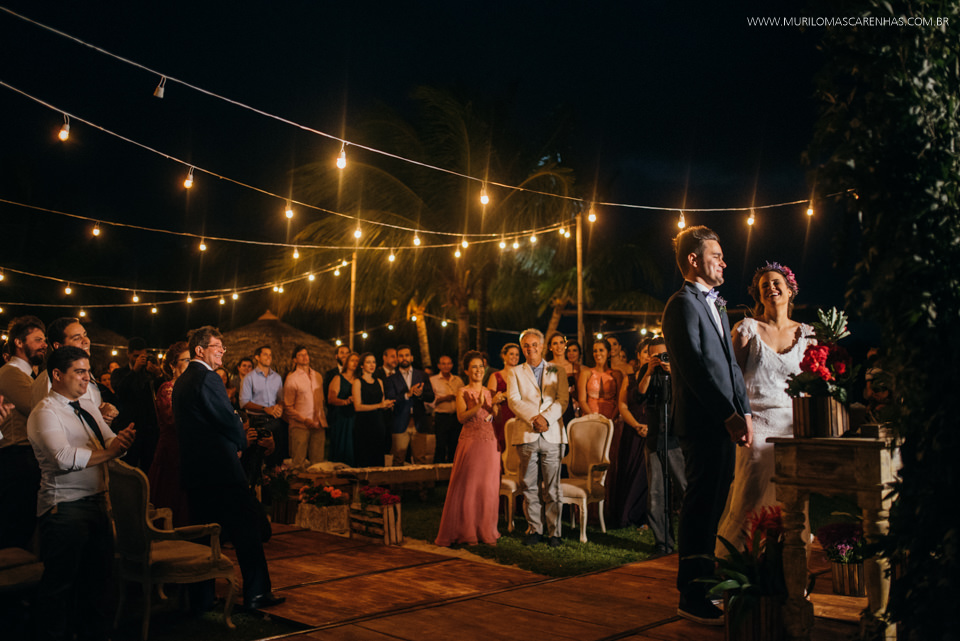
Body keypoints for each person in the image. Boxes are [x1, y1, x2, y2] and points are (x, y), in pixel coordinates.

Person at [662, 225, 752, 626]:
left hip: (726, 421)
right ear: (694, 260)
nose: (724, 262)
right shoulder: (680, 305)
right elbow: (694, 368)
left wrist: (744, 409)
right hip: (702, 422)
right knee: (699, 506)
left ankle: (705, 582)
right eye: (717, 255)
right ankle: (691, 593)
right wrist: (726, 414)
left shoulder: (715, 305)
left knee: (715, 505)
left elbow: (730, 366)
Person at [28, 345, 136, 641]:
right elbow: (63, 458)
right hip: (63, 509)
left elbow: (112, 442)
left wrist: (122, 441)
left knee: (98, 584)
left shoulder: (88, 407)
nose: (87, 378)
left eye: (88, 371)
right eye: (79, 371)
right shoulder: (44, 412)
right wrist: (110, 451)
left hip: (98, 504)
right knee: (60, 589)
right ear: (57, 375)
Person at [173, 326, 284, 611]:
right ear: (200, 350)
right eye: (217, 346)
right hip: (220, 469)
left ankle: (202, 596)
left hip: (195, 470)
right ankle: (257, 594)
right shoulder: (207, 378)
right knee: (247, 528)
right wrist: (240, 437)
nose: (223, 350)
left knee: (204, 535)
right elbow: (225, 417)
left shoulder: (183, 381)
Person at [715, 262, 814, 554]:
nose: (771, 287)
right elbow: (729, 379)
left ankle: (788, 570)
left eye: (776, 282)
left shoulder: (807, 334)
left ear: (790, 290)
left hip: (794, 429)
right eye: (764, 285)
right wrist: (734, 419)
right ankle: (734, 571)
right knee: (749, 498)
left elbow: (813, 384)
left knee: (793, 502)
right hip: (755, 428)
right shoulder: (747, 329)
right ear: (758, 295)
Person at [435, 351, 506, 547]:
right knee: (469, 487)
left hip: (490, 443)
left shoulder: (490, 392)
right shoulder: (462, 392)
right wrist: (479, 406)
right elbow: (461, 417)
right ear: (467, 370)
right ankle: (467, 531)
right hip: (471, 443)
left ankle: (486, 530)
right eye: (474, 367)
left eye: (481, 367)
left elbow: (496, 420)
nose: (478, 370)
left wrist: (496, 407)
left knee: (488, 488)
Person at [506, 328, 569, 547]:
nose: (530, 349)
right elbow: (513, 400)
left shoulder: (558, 370)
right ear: (522, 348)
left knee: (553, 487)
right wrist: (534, 418)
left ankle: (555, 532)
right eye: (526, 345)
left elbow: (563, 400)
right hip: (526, 433)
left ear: (542, 346)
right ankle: (535, 529)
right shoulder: (515, 372)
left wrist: (546, 419)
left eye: (534, 345)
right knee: (529, 485)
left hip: (552, 434)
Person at [0, 315, 46, 550]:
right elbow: (39, 410)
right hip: (16, 458)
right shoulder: (10, 373)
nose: (44, 344)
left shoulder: (30, 376)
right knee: (15, 531)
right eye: (38, 339)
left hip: (25, 458)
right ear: (19, 342)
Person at [638, 337, 687, 554]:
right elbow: (638, 395)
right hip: (655, 438)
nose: (660, 359)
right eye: (655, 356)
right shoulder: (645, 371)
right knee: (656, 493)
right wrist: (649, 371)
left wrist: (671, 371)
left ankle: (689, 538)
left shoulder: (680, 370)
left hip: (677, 438)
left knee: (685, 489)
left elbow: (686, 395)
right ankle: (662, 541)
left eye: (663, 355)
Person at [31, 317, 118, 426]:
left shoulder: (89, 376)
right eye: (77, 338)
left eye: (85, 335)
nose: (86, 341)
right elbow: (49, 424)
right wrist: (95, 417)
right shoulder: (49, 380)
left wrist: (106, 414)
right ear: (58, 346)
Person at [147, 341, 192, 526]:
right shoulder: (167, 388)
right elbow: (172, 420)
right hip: (172, 450)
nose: (191, 364)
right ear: (173, 365)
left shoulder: (191, 388)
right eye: (186, 360)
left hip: (190, 448)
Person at [612, 341, 652, 530]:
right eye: (645, 352)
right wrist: (636, 425)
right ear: (638, 355)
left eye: (651, 352)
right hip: (632, 428)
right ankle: (625, 515)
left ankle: (643, 517)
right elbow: (622, 405)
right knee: (629, 470)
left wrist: (650, 427)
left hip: (652, 429)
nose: (648, 355)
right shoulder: (630, 378)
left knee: (646, 475)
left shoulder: (660, 376)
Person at [110, 337, 162, 472]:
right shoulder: (119, 373)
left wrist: (157, 373)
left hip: (149, 430)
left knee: (149, 468)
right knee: (127, 467)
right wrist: (134, 371)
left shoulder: (149, 373)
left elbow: (161, 391)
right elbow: (120, 391)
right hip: (129, 428)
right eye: (136, 356)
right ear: (128, 354)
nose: (139, 359)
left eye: (142, 356)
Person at [241, 345, 286, 484]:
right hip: (257, 421)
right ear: (257, 357)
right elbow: (244, 402)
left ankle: (275, 491)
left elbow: (281, 399)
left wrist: (280, 407)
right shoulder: (250, 377)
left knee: (276, 459)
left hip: (274, 420)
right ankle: (256, 491)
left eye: (270, 355)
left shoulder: (277, 377)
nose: (268, 357)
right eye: (265, 354)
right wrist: (264, 408)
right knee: (257, 461)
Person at [384, 345, 435, 466]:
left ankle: (421, 485)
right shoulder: (391, 379)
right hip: (400, 422)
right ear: (397, 358)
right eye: (401, 356)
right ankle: (398, 485)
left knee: (420, 458)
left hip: (419, 421)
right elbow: (390, 398)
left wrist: (421, 394)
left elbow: (431, 396)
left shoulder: (422, 375)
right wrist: (407, 394)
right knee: (398, 459)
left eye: (407, 355)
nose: (404, 358)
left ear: (411, 358)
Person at [284, 345, 327, 469]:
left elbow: (321, 400)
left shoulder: (317, 376)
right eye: (300, 355)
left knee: (318, 464)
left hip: (318, 424)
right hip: (300, 426)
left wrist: (320, 418)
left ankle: (317, 488)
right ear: (295, 359)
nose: (304, 357)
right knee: (298, 463)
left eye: (306, 354)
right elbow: (288, 406)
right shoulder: (292, 379)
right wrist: (304, 420)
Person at [352, 352, 394, 467]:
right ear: (362, 365)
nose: (372, 365)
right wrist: (380, 405)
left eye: (374, 362)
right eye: (368, 362)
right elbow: (358, 406)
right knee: (364, 456)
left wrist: (387, 405)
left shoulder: (379, 382)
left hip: (379, 423)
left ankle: (378, 484)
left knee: (378, 456)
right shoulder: (357, 382)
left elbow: (382, 402)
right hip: (363, 424)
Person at [430, 355, 464, 463]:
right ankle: (438, 477)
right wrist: (445, 398)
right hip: (441, 417)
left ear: (452, 365)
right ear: (439, 365)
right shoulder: (433, 380)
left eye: (448, 363)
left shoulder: (458, 380)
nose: (446, 366)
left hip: (455, 417)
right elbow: (430, 401)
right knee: (440, 446)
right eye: (443, 363)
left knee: (454, 446)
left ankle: (451, 474)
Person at [578, 338, 623, 420]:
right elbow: (582, 400)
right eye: (595, 351)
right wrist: (593, 418)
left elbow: (620, 401)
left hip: (611, 419)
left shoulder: (616, 375)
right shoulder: (586, 373)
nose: (597, 353)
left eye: (601, 350)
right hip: (590, 419)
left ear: (608, 353)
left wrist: (611, 420)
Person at [327, 351, 359, 465]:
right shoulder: (338, 378)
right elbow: (331, 398)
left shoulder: (359, 379)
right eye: (352, 360)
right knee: (342, 447)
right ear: (347, 362)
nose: (355, 363)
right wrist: (346, 401)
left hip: (356, 418)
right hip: (342, 417)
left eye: (357, 360)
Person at [487, 343, 520, 452]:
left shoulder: (523, 375)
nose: (514, 357)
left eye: (517, 354)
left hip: (519, 414)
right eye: (511, 354)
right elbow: (490, 400)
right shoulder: (495, 376)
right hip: (502, 415)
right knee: (503, 447)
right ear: (504, 356)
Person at [564, 340, 583, 420]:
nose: (571, 353)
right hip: (567, 405)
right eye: (568, 351)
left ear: (579, 353)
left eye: (574, 350)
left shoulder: (585, 369)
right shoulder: (563, 370)